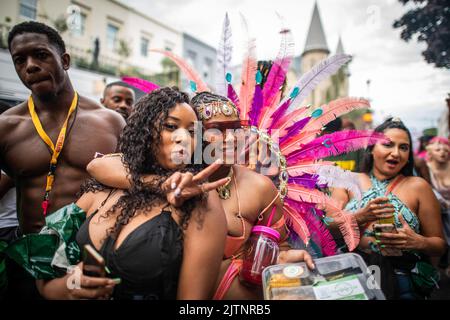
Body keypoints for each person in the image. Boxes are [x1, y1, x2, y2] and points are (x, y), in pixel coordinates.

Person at [87, 92, 315, 300]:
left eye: (236, 129)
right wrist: (163, 184)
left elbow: (279, 245)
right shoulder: (170, 172)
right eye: (216, 131)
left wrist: (280, 258)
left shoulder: (260, 187)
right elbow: (99, 165)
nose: (231, 139)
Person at [37, 87, 227, 300]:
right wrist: (68, 288)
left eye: (192, 132)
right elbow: (43, 263)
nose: (183, 138)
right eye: (171, 126)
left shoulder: (199, 201)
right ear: (144, 132)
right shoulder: (104, 188)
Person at [0, 21, 125, 299]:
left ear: (65, 60)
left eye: (41, 55)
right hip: (33, 261)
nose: (30, 65)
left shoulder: (110, 122)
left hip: (92, 256)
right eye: (20, 60)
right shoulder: (7, 127)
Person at [331, 117, 446, 299]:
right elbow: (328, 228)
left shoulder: (419, 186)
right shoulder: (347, 180)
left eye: (403, 147)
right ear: (371, 148)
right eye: (388, 145)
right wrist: (361, 217)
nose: (396, 153)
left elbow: (439, 245)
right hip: (353, 277)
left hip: (402, 281)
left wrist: (417, 242)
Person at [426, 137, 450, 275]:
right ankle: (432, 272)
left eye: (445, 150)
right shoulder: (425, 168)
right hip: (435, 210)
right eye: (438, 150)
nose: (442, 153)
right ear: (430, 152)